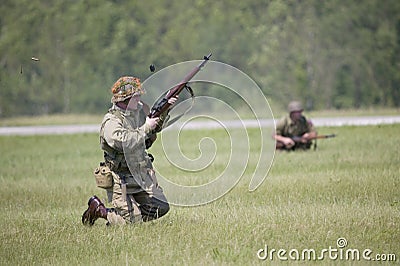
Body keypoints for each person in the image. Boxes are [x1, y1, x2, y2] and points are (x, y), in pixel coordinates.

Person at [82, 76, 177, 226]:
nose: (139, 100)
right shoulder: (111, 120)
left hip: (140, 174)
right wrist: (146, 127)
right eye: (136, 97)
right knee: (132, 223)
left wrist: (166, 108)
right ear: (124, 100)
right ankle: (100, 210)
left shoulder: (137, 113)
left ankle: (124, 217)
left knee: (160, 207)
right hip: (121, 178)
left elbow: (154, 128)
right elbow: (122, 142)